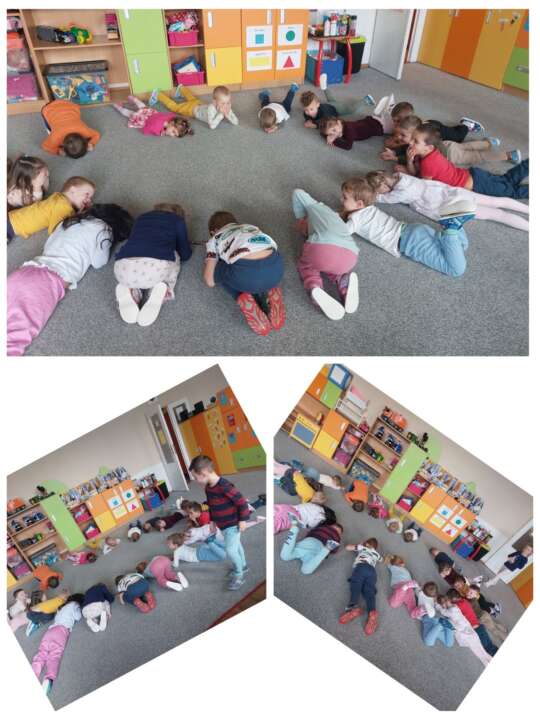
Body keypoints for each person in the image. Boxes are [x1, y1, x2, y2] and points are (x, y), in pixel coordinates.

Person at [7, 203, 133, 356]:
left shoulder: (69, 221)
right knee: (16, 336)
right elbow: (99, 262)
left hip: (26, 270)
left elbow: (50, 243)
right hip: (48, 282)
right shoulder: (104, 231)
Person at [342, 176, 475, 279]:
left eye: (344, 198)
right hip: (410, 230)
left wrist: (335, 219)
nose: (341, 200)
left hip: (411, 243)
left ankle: (452, 227)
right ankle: (454, 225)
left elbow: (341, 232)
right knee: (461, 246)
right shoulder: (369, 207)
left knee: (455, 270)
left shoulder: (356, 220)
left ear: (360, 203)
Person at [204, 211, 285, 335]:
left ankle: (242, 296)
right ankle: (267, 292)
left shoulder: (214, 239)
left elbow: (209, 281)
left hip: (244, 276)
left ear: (213, 231)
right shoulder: (250, 227)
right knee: (255, 270)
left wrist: (212, 260)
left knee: (222, 272)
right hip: (276, 269)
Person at [367, 170, 529, 232]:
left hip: (450, 205)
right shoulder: (402, 177)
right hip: (453, 193)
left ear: (383, 185)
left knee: (496, 215)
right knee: (496, 202)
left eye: (378, 189)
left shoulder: (401, 193)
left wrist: (373, 195)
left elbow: (386, 199)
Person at [114, 203, 192, 327]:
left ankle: (131, 290)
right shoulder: (178, 221)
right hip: (155, 268)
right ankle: (164, 287)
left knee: (135, 257)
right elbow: (185, 253)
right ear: (178, 215)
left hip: (122, 267)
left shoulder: (141, 217)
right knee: (174, 255)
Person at [408, 124, 529, 199]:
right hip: (474, 176)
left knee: (512, 192)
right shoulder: (431, 153)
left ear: (429, 147)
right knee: (507, 180)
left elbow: (424, 187)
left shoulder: (428, 163)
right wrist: (409, 160)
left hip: (477, 184)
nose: (410, 142)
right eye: (412, 138)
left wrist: (408, 171)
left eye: (415, 141)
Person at [292, 188, 359, 321]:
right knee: (334, 265)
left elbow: (297, 192)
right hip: (351, 254)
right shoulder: (338, 220)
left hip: (322, 248)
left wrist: (300, 218)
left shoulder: (313, 206)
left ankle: (314, 287)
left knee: (307, 265)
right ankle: (343, 282)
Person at [189, 454, 251, 590]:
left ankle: (239, 575)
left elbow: (242, 502)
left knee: (230, 550)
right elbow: (211, 505)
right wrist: (212, 521)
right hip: (223, 525)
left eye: (195, 477)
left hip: (233, 523)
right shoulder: (208, 487)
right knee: (236, 546)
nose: (195, 480)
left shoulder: (225, 486)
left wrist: (243, 520)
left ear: (204, 473)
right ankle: (243, 566)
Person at [8, 175, 95, 241]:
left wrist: (79, 210)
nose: (88, 200)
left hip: (13, 218)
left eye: (90, 198)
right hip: (12, 225)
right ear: (73, 190)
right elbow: (56, 231)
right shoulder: (64, 207)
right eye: (87, 194)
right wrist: (79, 215)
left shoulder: (57, 196)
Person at [31, 594, 84, 695]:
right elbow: (78, 617)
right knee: (54, 655)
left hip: (50, 631)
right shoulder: (75, 605)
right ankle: (49, 678)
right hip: (61, 632)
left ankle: (34, 671)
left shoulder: (62, 607)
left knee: (41, 653)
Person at [339, 537, 382, 635]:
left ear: (367, 544)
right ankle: (372, 612)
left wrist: (359, 545)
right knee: (369, 591)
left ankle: (352, 606)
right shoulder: (376, 554)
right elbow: (382, 560)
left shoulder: (362, 547)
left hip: (361, 567)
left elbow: (347, 547)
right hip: (372, 572)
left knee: (356, 585)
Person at [436, 593, 492, 667]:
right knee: (478, 646)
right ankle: (488, 658)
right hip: (468, 628)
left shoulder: (450, 611)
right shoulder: (455, 606)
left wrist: (437, 605)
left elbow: (443, 612)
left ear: (445, 603)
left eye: (443, 604)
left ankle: (485, 661)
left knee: (475, 648)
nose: (444, 605)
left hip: (464, 630)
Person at [390, 100, 485, 141]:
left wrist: (395, 144)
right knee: (451, 129)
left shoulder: (412, 129)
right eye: (394, 121)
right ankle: (457, 127)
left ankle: (466, 125)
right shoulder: (407, 124)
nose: (395, 124)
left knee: (458, 137)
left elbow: (406, 141)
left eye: (397, 121)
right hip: (430, 123)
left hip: (438, 129)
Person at [156, 84, 238, 129]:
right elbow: (212, 126)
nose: (226, 105)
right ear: (214, 102)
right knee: (175, 108)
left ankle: (181, 88)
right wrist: (221, 114)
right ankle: (158, 95)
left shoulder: (226, 107)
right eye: (223, 103)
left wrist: (228, 114)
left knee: (192, 99)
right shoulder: (211, 109)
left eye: (228, 102)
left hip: (199, 104)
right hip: (192, 110)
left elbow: (236, 122)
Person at [447, 588, 498, 656]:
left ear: (453, 598)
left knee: (488, 648)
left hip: (476, 629)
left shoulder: (457, 606)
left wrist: (448, 604)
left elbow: (451, 612)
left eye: (449, 599)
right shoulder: (464, 600)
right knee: (490, 645)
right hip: (479, 626)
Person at [113, 94, 193, 137]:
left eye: (174, 135)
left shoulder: (170, 118)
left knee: (142, 106)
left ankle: (132, 99)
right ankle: (118, 106)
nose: (172, 135)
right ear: (172, 124)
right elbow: (146, 129)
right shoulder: (158, 129)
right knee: (129, 113)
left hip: (149, 113)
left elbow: (173, 115)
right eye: (173, 132)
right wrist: (145, 131)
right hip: (142, 119)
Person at [320, 107, 395, 150]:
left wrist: (334, 140)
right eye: (331, 133)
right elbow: (323, 132)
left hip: (380, 126)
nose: (334, 134)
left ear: (339, 122)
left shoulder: (349, 130)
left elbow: (348, 146)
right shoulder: (342, 124)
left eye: (334, 130)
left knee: (396, 128)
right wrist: (328, 136)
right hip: (372, 120)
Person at [300, 88, 375, 128]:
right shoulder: (306, 113)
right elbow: (307, 117)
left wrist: (314, 125)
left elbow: (326, 124)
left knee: (351, 109)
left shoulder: (324, 113)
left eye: (311, 109)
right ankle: (325, 88)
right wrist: (308, 120)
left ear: (317, 105)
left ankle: (366, 100)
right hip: (328, 105)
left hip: (336, 108)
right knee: (332, 100)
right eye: (306, 110)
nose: (309, 112)